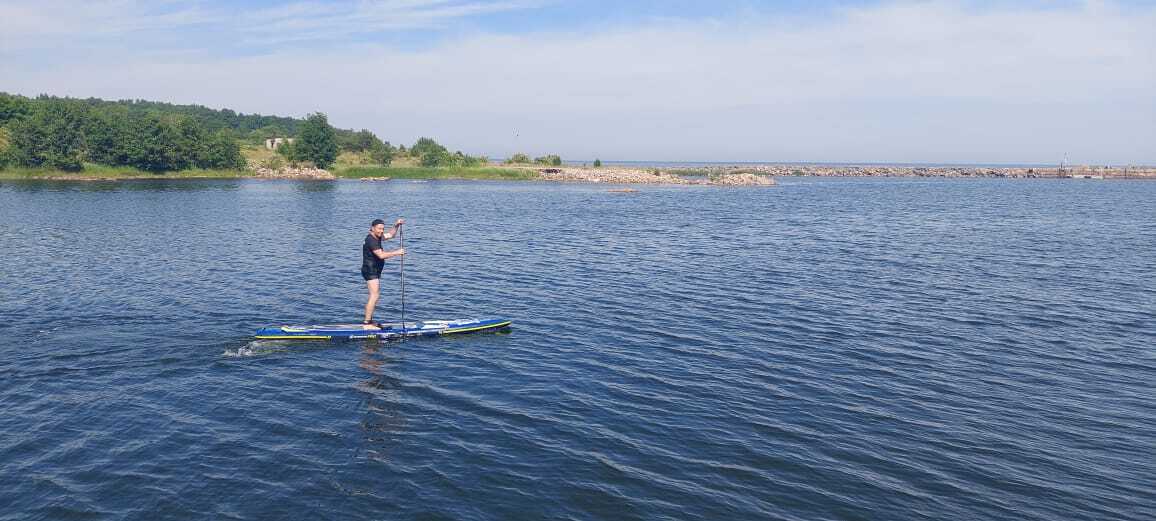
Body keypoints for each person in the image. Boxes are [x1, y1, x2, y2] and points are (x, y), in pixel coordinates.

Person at [362, 218, 405, 329]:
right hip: (370, 270)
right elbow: (381, 255)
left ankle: (370, 321)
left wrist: (396, 225)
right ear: (372, 228)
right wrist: (397, 252)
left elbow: (391, 235)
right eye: (379, 229)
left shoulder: (377, 236)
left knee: (375, 295)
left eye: (382, 229)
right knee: (374, 295)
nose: (381, 231)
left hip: (374, 270)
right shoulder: (371, 240)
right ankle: (367, 324)